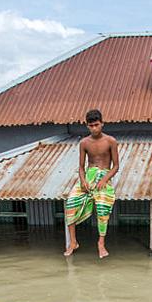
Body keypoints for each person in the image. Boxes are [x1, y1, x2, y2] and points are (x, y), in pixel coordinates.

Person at [64, 108, 119, 258]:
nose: (94, 128)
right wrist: (83, 181)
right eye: (91, 125)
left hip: (104, 177)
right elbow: (81, 167)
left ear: (102, 124)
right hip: (88, 176)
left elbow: (116, 166)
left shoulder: (111, 141)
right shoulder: (84, 143)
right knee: (70, 202)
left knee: (102, 206)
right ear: (87, 126)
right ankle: (73, 242)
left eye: (96, 124)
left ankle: (101, 243)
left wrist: (104, 179)